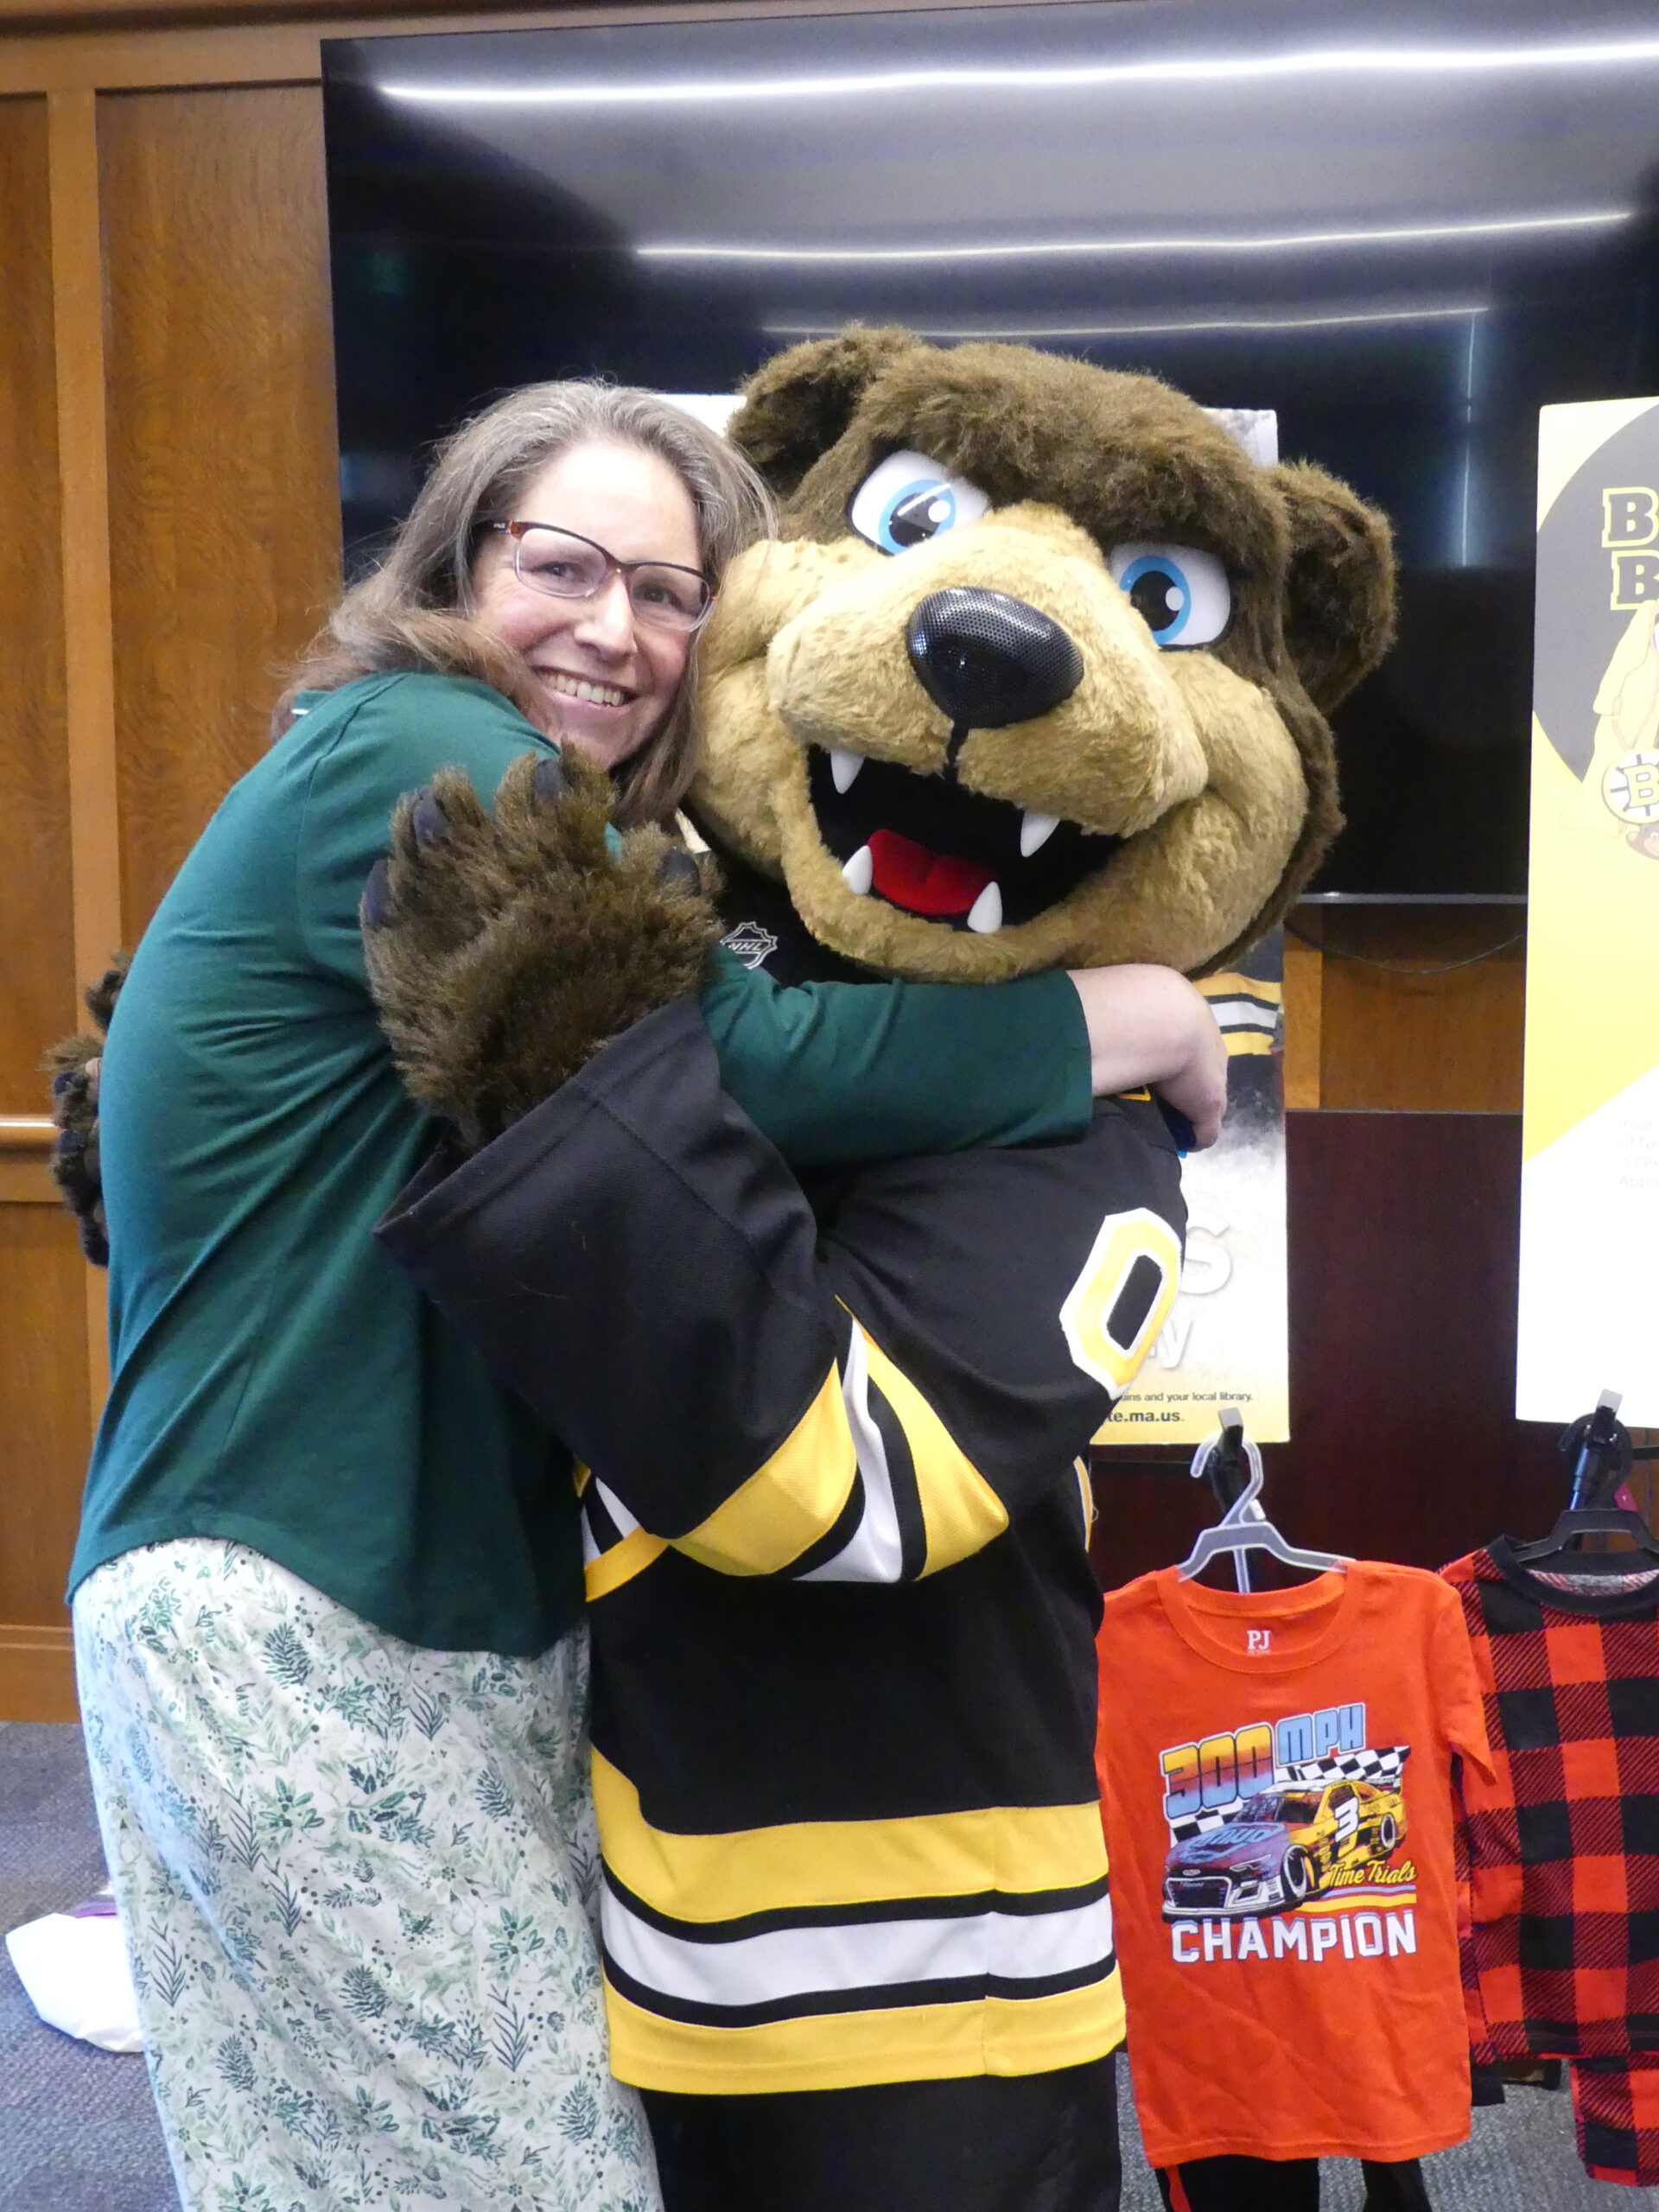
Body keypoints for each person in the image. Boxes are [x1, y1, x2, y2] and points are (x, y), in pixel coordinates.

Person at [62, 378, 1226, 2212]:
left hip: (329, 1590)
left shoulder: (427, 776)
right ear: (457, 562)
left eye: (671, 592)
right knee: (526, 2174)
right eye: (563, 564)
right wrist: (1122, 1018)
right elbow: (716, 1055)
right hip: (312, 1590)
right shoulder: (422, 750)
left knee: (325, 2166)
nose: (615, 628)